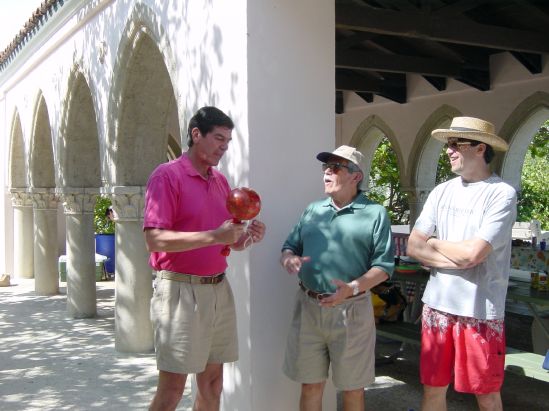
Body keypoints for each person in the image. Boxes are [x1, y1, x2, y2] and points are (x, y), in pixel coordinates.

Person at [143, 106, 266, 411]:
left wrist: (246, 238)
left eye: (228, 141)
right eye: (219, 139)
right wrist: (214, 235)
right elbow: (154, 239)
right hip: (179, 292)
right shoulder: (166, 176)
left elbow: (227, 242)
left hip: (218, 291)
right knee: (172, 390)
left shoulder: (220, 182)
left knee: (213, 385)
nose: (224, 147)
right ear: (196, 134)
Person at [407, 117, 517, 411]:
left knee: (486, 395)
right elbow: (414, 245)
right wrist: (460, 257)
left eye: (456, 144)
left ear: (480, 148)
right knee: (432, 389)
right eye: (449, 144)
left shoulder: (501, 193)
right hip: (436, 307)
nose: (449, 150)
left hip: (479, 311)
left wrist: (435, 243)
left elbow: (473, 254)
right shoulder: (441, 191)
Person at [280, 145, 394, 410]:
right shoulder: (313, 210)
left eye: (335, 167)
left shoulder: (375, 213)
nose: (327, 173)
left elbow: (384, 266)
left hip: (351, 311)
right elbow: (289, 246)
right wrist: (288, 258)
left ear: (356, 176)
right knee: (310, 386)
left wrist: (351, 288)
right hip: (309, 308)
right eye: (325, 167)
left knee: (352, 389)